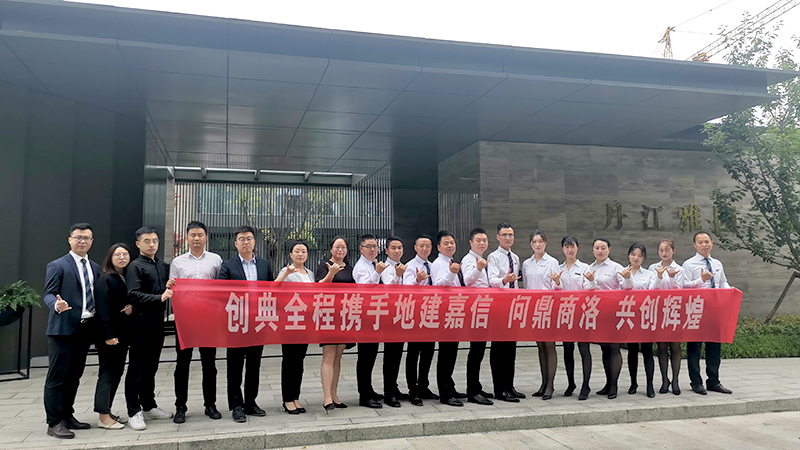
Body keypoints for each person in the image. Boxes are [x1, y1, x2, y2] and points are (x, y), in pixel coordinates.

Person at [43, 223, 102, 439]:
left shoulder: (95, 267)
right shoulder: (57, 265)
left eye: (87, 238)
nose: (82, 241)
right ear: (70, 240)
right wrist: (56, 305)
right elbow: (49, 293)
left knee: (74, 376)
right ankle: (54, 422)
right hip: (63, 329)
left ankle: (67, 416)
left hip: (85, 329)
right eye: (78, 237)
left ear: (92, 241)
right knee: (57, 377)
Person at [168, 221, 223, 423]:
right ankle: (180, 406)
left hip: (208, 319)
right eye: (193, 235)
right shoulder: (178, 262)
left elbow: (221, 287)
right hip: (185, 319)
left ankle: (210, 404)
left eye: (200, 235)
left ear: (206, 237)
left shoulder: (216, 260)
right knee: (182, 364)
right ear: (187, 238)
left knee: (209, 363)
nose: (197, 238)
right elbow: (172, 289)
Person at [218, 225, 273, 423]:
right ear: (236, 243)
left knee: (254, 365)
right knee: (234, 366)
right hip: (236, 322)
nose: (246, 242)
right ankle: (236, 406)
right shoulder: (228, 265)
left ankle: (250, 402)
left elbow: (271, 291)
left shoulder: (264, 264)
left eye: (249, 238)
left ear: (254, 242)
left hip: (257, 322)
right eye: (242, 239)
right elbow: (220, 293)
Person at [125, 226, 175, 430]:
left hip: (157, 323)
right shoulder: (135, 266)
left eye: (155, 240)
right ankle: (133, 411)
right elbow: (133, 294)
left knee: (151, 367)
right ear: (138, 244)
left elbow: (167, 289)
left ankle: (148, 405)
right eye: (147, 241)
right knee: (137, 368)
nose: (152, 244)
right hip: (140, 323)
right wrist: (159, 297)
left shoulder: (162, 265)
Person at [682, 231, 733, 395]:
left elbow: (722, 282)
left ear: (712, 244)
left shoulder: (717, 263)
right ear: (695, 245)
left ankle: (713, 381)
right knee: (695, 348)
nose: (704, 245)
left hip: (714, 310)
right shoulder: (689, 264)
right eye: (700, 242)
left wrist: (730, 292)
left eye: (707, 242)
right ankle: (696, 382)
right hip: (696, 310)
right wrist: (701, 280)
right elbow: (684, 286)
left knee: (714, 347)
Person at [274, 240, 318, 414]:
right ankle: (287, 399)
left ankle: (295, 397)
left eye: (303, 251)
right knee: (289, 360)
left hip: (305, 323)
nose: (300, 254)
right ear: (291, 254)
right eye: (297, 251)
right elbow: (273, 287)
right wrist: (286, 274)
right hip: (290, 322)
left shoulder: (310, 273)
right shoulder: (286, 271)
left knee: (299, 361)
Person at [93, 243, 133, 430]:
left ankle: (107, 411)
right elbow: (103, 310)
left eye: (125, 254)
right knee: (108, 373)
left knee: (117, 372)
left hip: (122, 335)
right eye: (117, 255)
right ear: (110, 258)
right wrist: (109, 335)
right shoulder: (105, 279)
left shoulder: (123, 277)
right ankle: (102, 416)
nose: (122, 258)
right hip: (110, 336)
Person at [315, 236, 355, 412]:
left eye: (343, 247)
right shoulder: (324, 266)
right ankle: (327, 398)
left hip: (344, 315)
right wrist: (331, 273)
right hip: (328, 315)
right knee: (329, 356)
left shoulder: (350, 268)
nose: (340, 250)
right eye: (337, 247)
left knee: (338, 357)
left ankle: (334, 394)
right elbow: (319, 287)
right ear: (331, 249)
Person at [583, 238, 625, 399]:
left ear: (609, 250)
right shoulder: (589, 268)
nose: (600, 251)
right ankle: (608, 383)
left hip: (613, 312)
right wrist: (591, 282)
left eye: (603, 248)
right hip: (597, 313)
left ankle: (614, 385)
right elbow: (587, 288)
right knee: (604, 348)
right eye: (597, 248)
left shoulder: (616, 267)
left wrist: (628, 278)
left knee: (613, 347)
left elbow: (627, 286)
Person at [486, 222, 523, 403]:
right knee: (499, 349)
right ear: (498, 237)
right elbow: (491, 280)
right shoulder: (493, 257)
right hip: (499, 306)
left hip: (512, 306)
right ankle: (500, 389)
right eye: (505, 235)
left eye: (511, 235)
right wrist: (504, 280)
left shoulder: (515, 257)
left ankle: (509, 386)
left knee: (511, 349)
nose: (508, 238)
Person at [550, 236, 591, 400]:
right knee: (568, 350)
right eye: (566, 246)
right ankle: (571, 383)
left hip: (581, 313)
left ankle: (586, 385)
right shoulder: (558, 268)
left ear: (577, 248)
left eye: (572, 246)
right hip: (566, 313)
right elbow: (556, 290)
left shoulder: (585, 267)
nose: (569, 249)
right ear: (562, 249)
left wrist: (591, 282)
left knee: (584, 350)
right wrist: (557, 282)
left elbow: (589, 288)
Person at [521, 230, 560, 400]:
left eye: (541, 241)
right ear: (531, 244)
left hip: (548, 307)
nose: (537, 244)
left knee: (549, 345)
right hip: (533, 309)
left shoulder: (552, 262)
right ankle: (543, 383)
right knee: (540, 346)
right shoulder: (526, 264)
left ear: (546, 243)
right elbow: (526, 286)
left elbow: (557, 287)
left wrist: (557, 282)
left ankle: (550, 385)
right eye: (534, 242)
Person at [352, 234, 389, 409]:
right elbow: (365, 288)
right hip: (365, 316)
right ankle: (364, 395)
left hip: (377, 314)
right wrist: (377, 273)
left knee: (372, 355)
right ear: (361, 249)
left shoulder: (376, 264)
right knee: (365, 357)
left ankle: (369, 390)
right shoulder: (360, 267)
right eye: (369, 246)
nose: (373, 249)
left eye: (375, 246)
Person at [431, 230, 466, 407]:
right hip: (445, 313)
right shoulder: (439, 264)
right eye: (446, 243)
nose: (450, 246)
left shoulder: (451, 262)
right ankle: (445, 393)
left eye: (452, 242)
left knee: (451, 353)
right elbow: (438, 285)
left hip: (454, 311)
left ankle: (450, 387)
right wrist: (452, 273)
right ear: (438, 247)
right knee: (446, 354)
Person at [402, 235, 438, 406]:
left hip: (431, 313)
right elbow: (405, 287)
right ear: (415, 247)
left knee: (428, 352)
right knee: (413, 353)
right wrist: (417, 280)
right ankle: (413, 390)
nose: (425, 249)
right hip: (415, 315)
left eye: (428, 246)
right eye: (421, 246)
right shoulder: (410, 266)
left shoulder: (433, 265)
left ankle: (424, 386)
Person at [459, 228, 494, 406]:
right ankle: (472, 391)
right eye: (478, 240)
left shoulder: (481, 259)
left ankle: (476, 386)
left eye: (484, 240)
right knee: (476, 351)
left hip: (483, 308)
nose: (482, 243)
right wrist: (479, 268)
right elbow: (467, 281)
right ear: (471, 242)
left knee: (479, 351)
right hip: (475, 310)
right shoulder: (468, 259)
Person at [621, 243, 657, 398]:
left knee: (647, 350)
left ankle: (650, 385)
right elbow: (624, 289)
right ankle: (633, 383)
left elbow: (652, 290)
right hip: (629, 315)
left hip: (645, 315)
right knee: (632, 350)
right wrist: (627, 278)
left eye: (640, 255)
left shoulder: (649, 274)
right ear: (629, 255)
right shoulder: (622, 272)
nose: (636, 258)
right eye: (633, 254)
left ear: (643, 258)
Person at [648, 238, 683, 395]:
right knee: (661, 347)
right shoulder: (653, 268)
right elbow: (652, 289)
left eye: (667, 250)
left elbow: (679, 290)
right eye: (661, 250)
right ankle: (664, 380)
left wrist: (673, 277)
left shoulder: (679, 269)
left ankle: (675, 380)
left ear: (673, 251)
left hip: (674, 310)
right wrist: (659, 276)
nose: (664, 253)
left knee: (675, 346)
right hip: (659, 310)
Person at [379, 236, 409, 407]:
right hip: (390, 316)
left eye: (400, 248)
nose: (397, 251)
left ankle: (394, 387)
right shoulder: (385, 267)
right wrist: (398, 276)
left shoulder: (402, 266)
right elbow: (389, 288)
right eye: (393, 248)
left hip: (402, 315)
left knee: (397, 353)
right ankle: (388, 392)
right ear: (387, 250)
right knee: (390, 355)